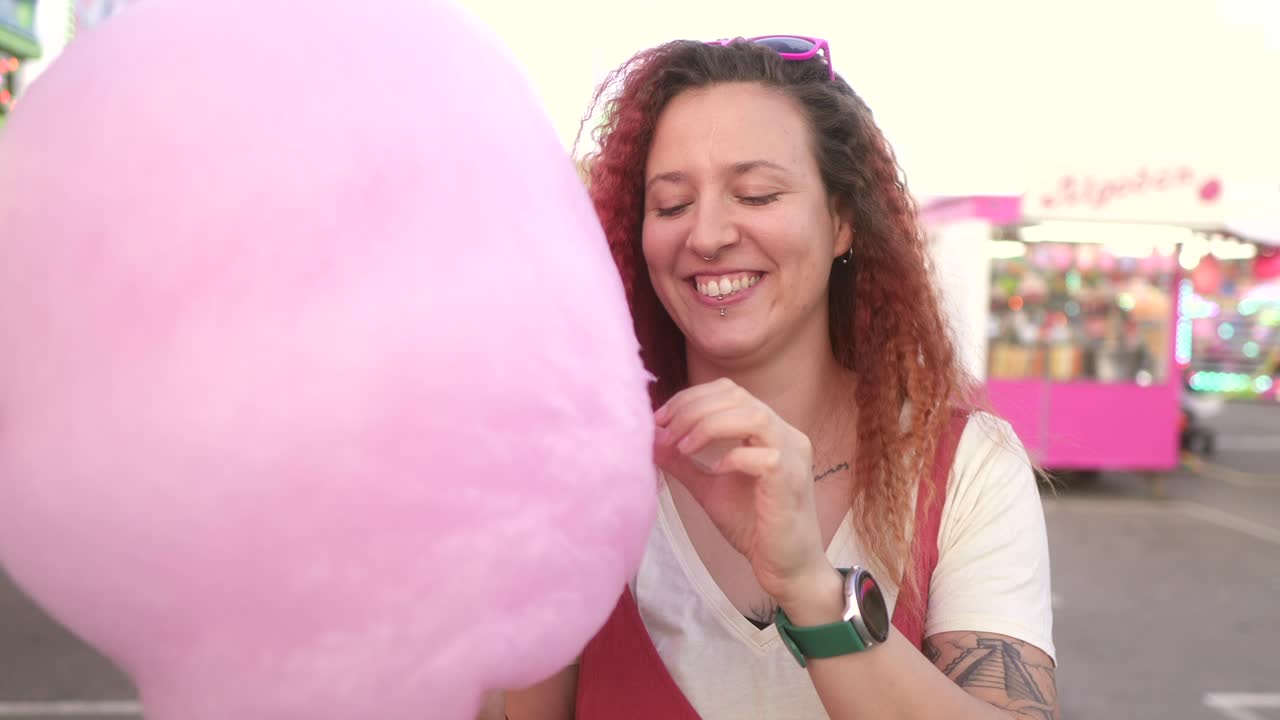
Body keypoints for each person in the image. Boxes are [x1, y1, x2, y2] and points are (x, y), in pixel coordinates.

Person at [501, 36, 1057, 720]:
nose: (707, 236)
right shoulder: (585, 472)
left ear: (842, 221)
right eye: (670, 205)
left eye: (756, 195)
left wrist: (809, 586)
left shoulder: (965, 466)